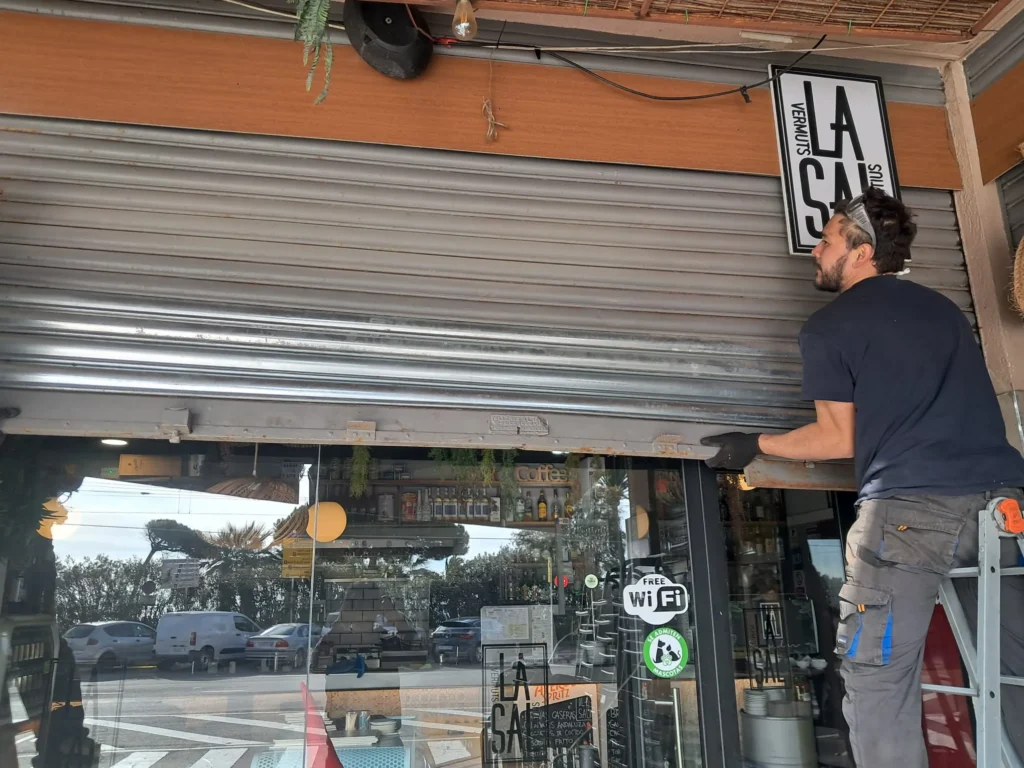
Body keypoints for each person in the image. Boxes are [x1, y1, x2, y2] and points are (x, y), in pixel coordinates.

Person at [702, 186, 1024, 767]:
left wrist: (753, 446)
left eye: (825, 242)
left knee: (877, 680)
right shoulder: (943, 309)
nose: (815, 253)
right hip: (1003, 507)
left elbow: (837, 439)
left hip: (910, 516)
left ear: (861, 253)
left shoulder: (830, 326)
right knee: (1014, 667)